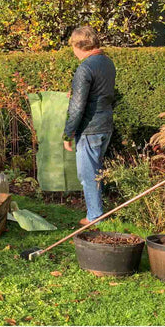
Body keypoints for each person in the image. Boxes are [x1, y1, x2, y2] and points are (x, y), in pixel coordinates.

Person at [63, 26, 116, 226]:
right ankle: (96, 211)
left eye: (73, 47)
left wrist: (68, 134)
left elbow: (78, 107)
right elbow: (100, 93)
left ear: (79, 45)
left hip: (90, 129)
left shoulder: (85, 68)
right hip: (105, 125)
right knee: (96, 171)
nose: (73, 52)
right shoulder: (107, 63)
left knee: (87, 175)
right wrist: (77, 94)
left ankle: (94, 217)